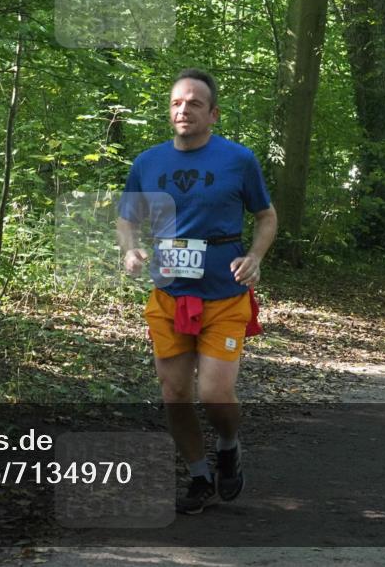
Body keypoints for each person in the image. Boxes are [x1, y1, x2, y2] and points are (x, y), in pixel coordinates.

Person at [117, 69, 277, 514]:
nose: (183, 110)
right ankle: (199, 474)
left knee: (214, 394)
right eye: (176, 103)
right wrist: (130, 251)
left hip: (224, 293)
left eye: (194, 103)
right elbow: (126, 217)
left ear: (213, 113)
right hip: (168, 294)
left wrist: (256, 257)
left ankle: (228, 443)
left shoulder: (238, 160)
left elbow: (266, 215)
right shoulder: (148, 162)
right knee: (174, 394)